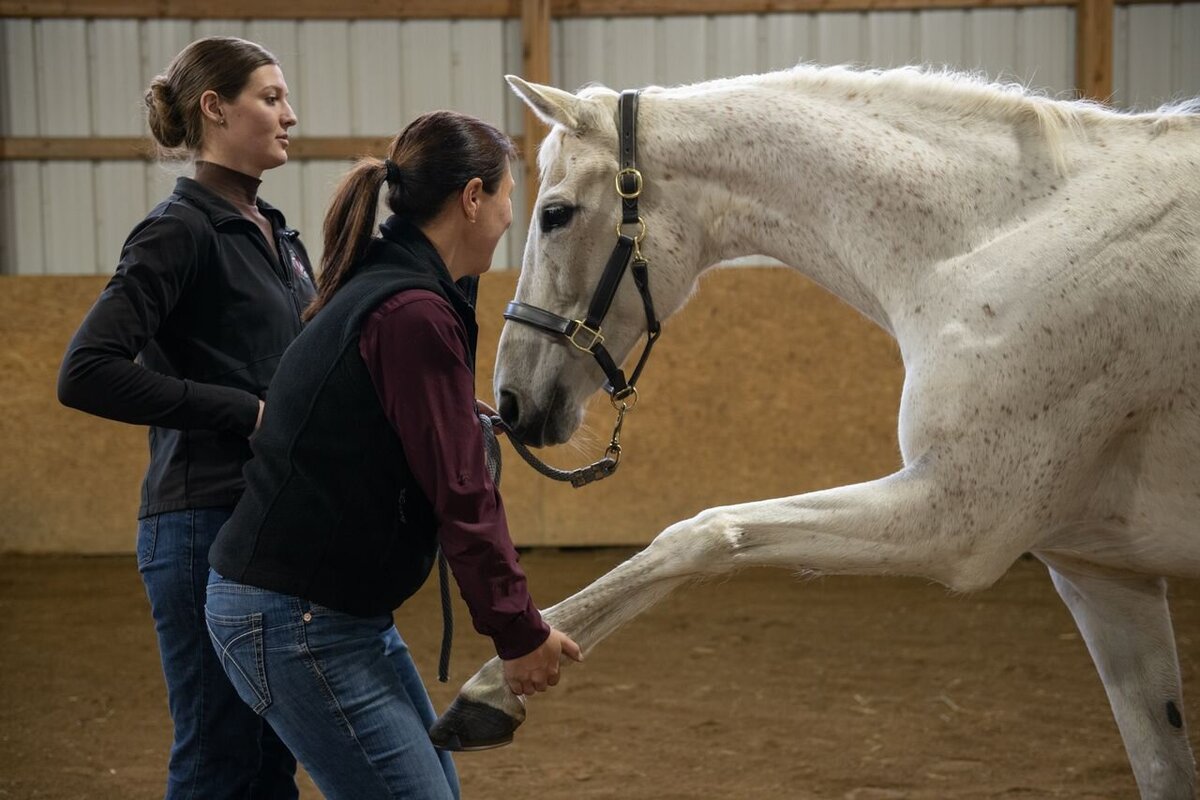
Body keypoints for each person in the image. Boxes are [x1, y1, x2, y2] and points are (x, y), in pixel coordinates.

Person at [204, 110, 582, 800]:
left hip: (324, 615)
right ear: (472, 198)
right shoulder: (412, 312)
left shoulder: (398, 287)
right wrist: (518, 634)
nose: (509, 216)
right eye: (506, 195)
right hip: (299, 621)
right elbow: (462, 496)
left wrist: (456, 415)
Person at [57, 36, 310, 800]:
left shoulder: (278, 236)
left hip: (267, 521)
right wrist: (243, 412)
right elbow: (87, 371)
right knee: (218, 756)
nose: (289, 115)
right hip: (199, 524)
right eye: (270, 98)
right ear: (214, 108)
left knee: (272, 758)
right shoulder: (180, 230)